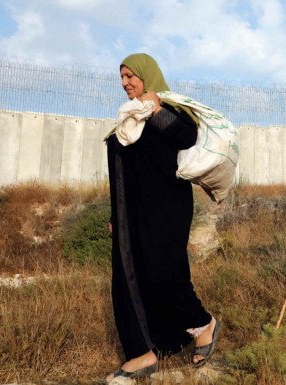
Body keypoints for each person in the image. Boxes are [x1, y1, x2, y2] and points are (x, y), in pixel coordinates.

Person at [105, 53, 220, 382]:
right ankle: (147, 351)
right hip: (131, 213)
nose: (126, 82)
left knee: (162, 274)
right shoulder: (128, 118)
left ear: (147, 74)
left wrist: (155, 109)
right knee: (131, 280)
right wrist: (116, 214)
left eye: (131, 75)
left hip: (167, 208)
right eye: (122, 77)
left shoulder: (169, 108)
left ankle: (203, 323)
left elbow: (187, 137)